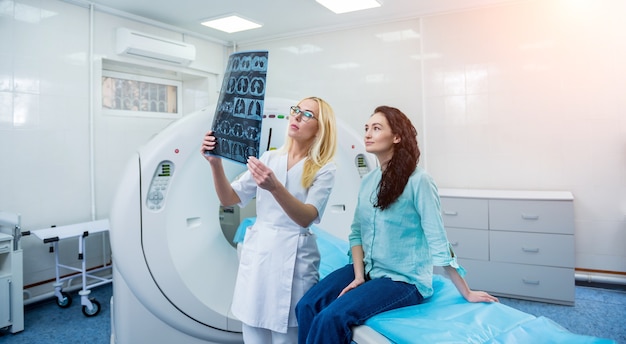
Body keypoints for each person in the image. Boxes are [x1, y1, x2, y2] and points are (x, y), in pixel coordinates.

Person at [295, 105, 498, 344]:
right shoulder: (369, 181)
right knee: (307, 305)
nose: (368, 134)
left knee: (331, 318)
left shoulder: (418, 181)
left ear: (397, 137)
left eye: (377, 128)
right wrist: (359, 276)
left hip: (402, 280)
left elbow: (437, 240)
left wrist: (466, 291)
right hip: (369, 270)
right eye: (367, 128)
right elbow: (356, 233)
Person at [201, 97, 338, 344]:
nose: (296, 116)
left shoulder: (324, 168)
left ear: (321, 128)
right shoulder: (269, 158)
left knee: (287, 336)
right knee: (253, 331)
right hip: (260, 255)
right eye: (296, 110)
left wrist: (275, 187)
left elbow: (306, 217)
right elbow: (229, 198)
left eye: (307, 114)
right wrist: (215, 164)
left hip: (295, 260)